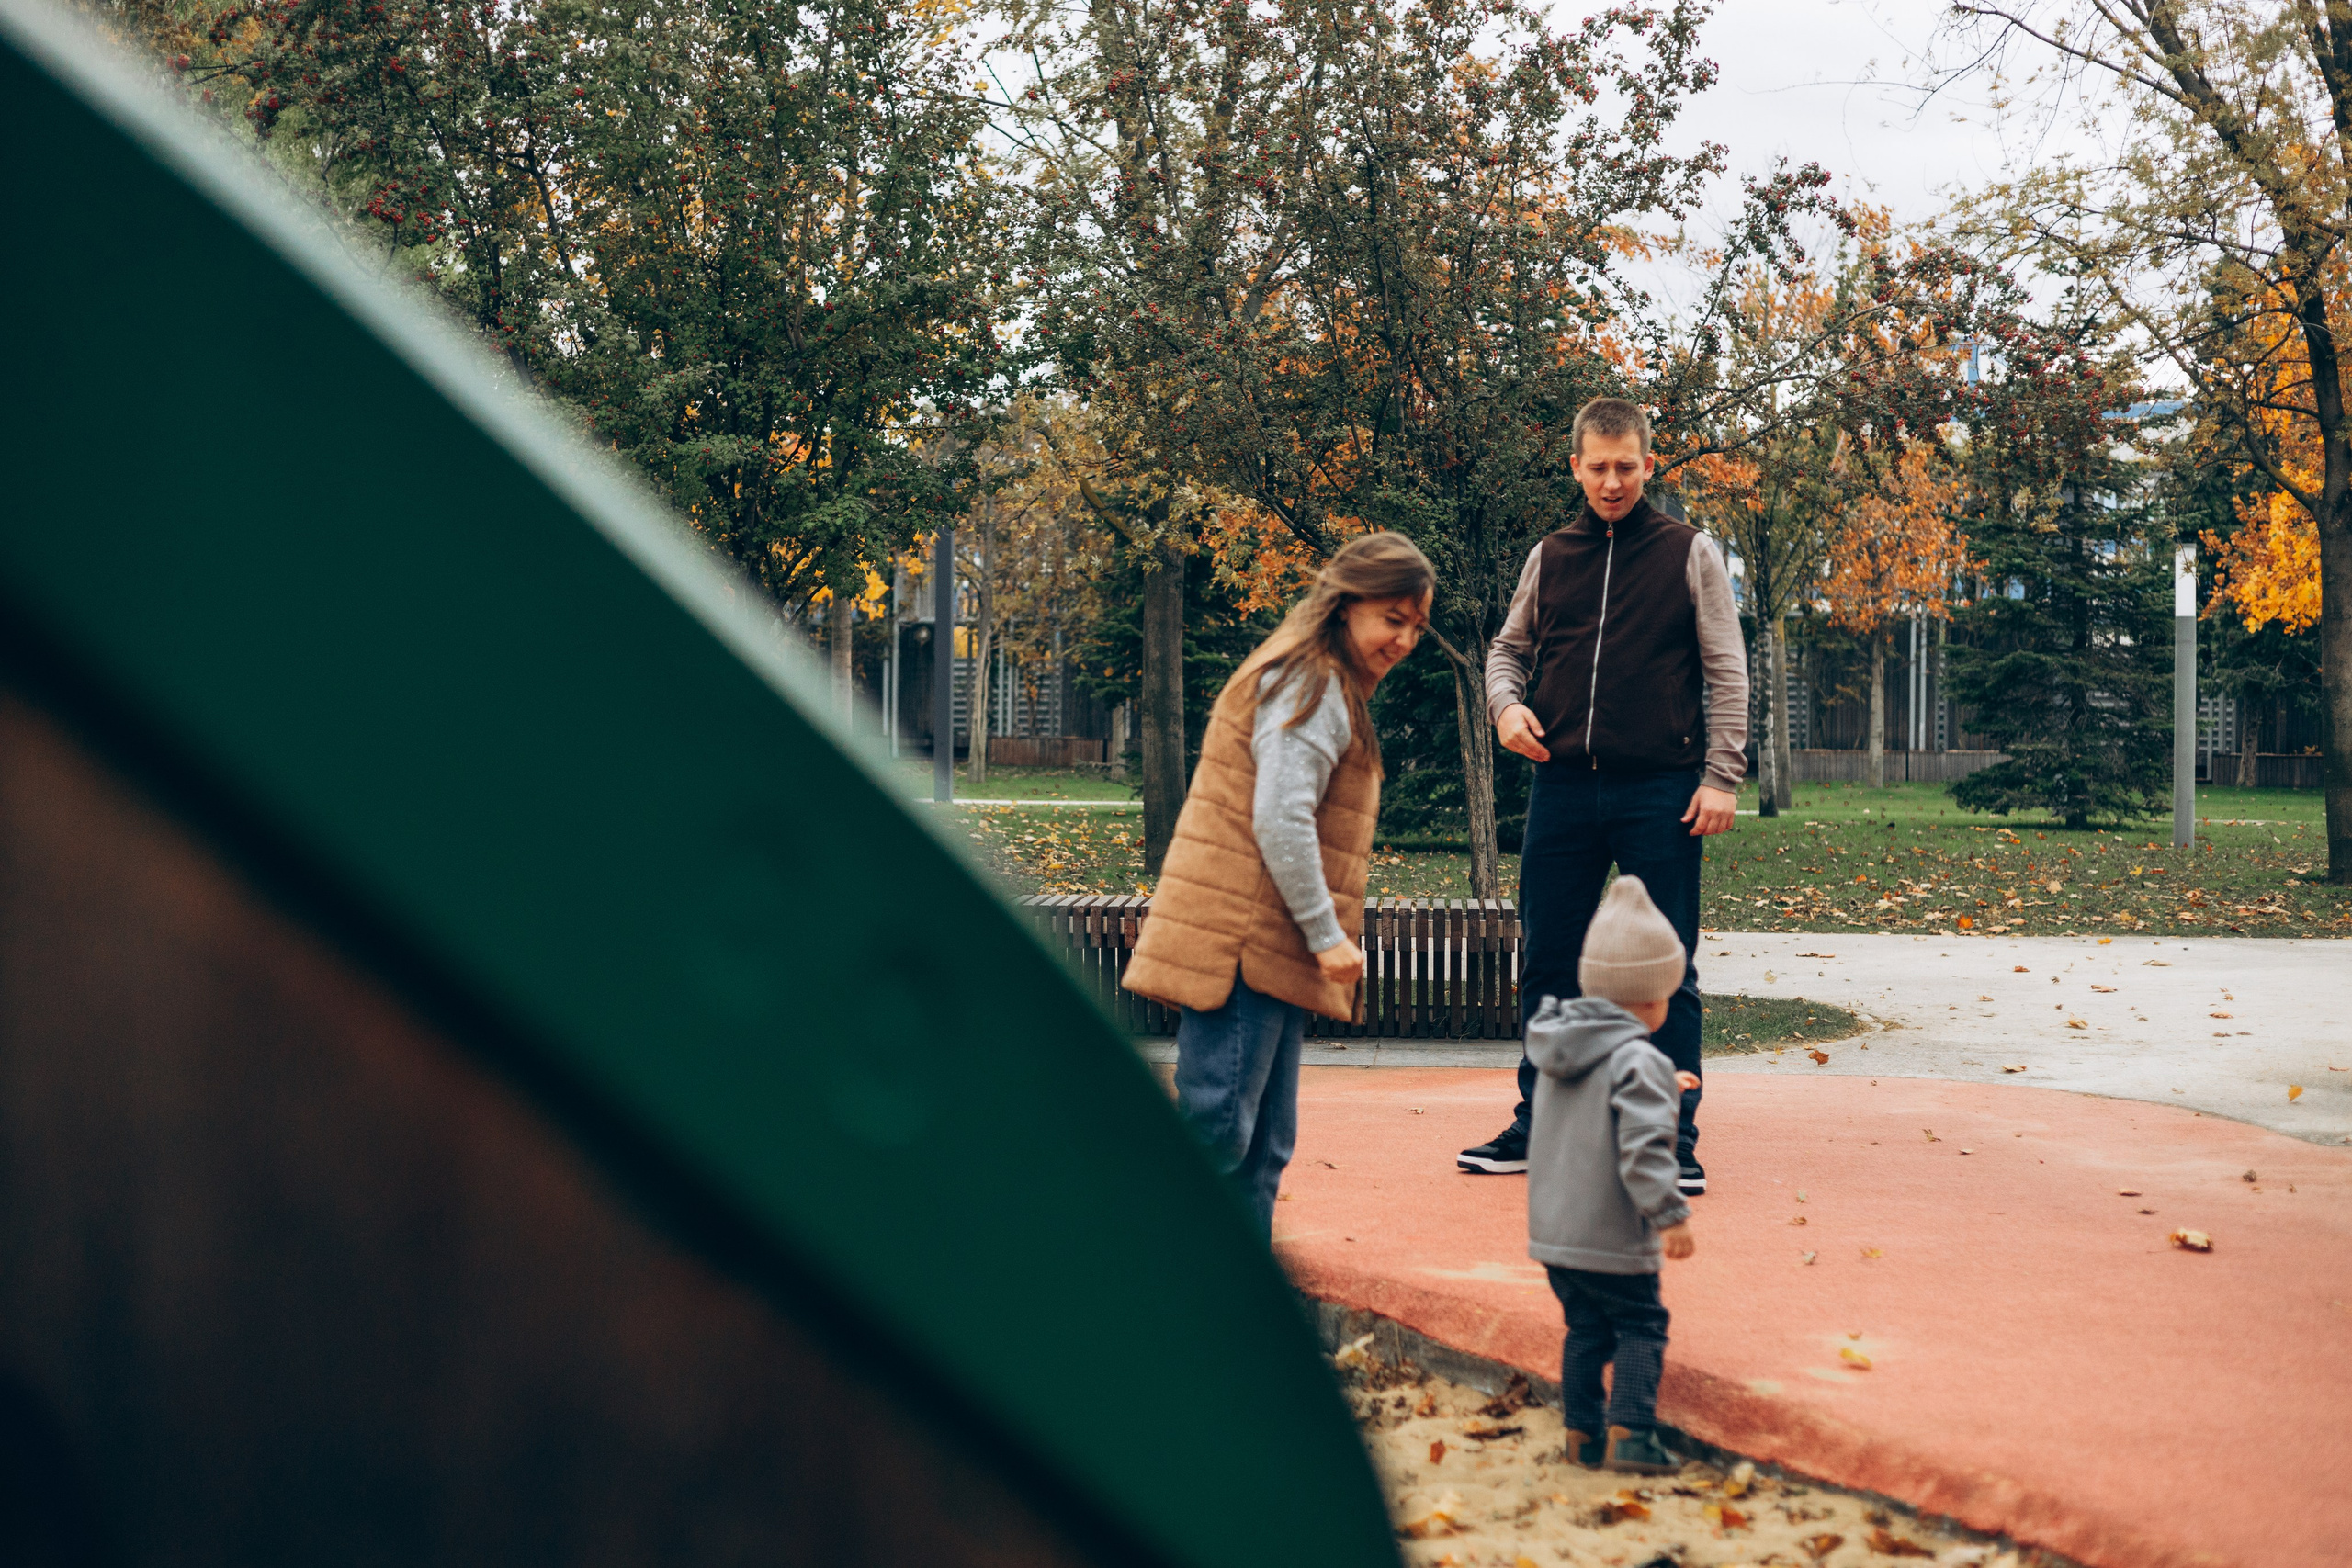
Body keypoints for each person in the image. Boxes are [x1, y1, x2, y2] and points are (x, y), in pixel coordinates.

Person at [1458, 398, 1747, 1194]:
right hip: (1562, 785)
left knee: (1666, 965)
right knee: (1549, 954)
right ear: (1576, 465)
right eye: (1598, 466)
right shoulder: (1550, 556)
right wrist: (1506, 707)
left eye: (1627, 466)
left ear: (1648, 465)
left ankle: (1668, 1137)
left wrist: (1722, 775)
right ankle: (1544, 1120)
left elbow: (1727, 670)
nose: (1612, 481)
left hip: (1662, 787)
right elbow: (1507, 650)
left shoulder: (1691, 553)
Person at [1123, 533, 1437, 1235]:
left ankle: (1233, 1316)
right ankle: (1158, 1302)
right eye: (1394, 618)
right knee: (1219, 1136)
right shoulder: (1312, 681)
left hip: (1266, 944)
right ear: (1347, 603)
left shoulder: (1326, 680)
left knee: (1263, 1146)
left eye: (1417, 624)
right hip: (1243, 944)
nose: (1406, 639)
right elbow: (1281, 818)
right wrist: (1326, 935)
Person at [1525, 874, 1700, 1474]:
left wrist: (1659, 1084)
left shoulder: (1558, 1048)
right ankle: (1630, 1432)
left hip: (1556, 1234)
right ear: (1651, 998)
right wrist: (1669, 1213)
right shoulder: (1641, 1060)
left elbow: (1594, 1106)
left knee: (1585, 1330)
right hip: (1611, 1236)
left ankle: (1581, 1434)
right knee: (1641, 1323)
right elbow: (1643, 1150)